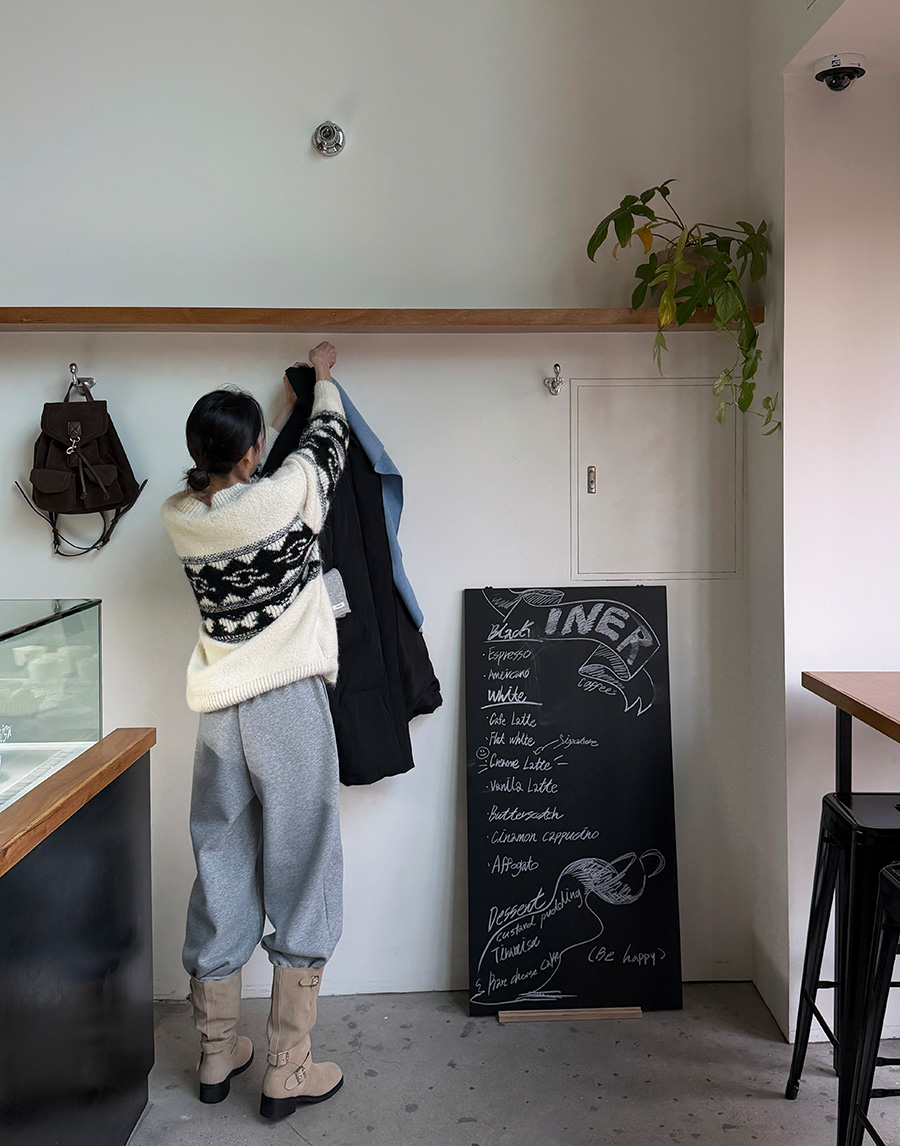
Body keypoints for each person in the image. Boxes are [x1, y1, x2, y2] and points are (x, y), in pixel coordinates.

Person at [161, 341, 349, 1122]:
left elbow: (241, 482)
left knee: (221, 866)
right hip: (287, 706)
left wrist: (258, 432)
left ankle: (215, 1051)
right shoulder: (288, 496)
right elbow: (327, 444)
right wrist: (323, 380)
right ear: (252, 454)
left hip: (219, 714)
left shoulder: (181, 518)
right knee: (304, 868)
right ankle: (287, 1068)